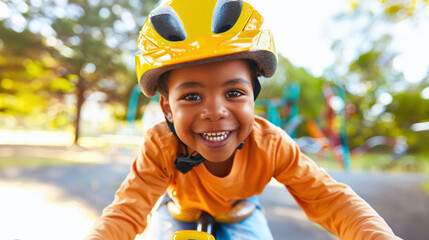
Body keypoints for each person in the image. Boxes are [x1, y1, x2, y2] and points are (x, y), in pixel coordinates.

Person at [86, 0, 401, 239]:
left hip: (242, 214)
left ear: (254, 97)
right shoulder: (161, 145)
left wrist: (375, 234)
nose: (215, 111)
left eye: (234, 93)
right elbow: (127, 211)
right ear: (167, 108)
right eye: (192, 96)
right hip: (179, 213)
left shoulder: (272, 145)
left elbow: (330, 199)